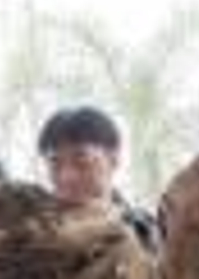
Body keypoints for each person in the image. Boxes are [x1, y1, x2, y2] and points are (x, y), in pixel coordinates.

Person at [37, 106, 159, 249]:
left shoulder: (146, 231)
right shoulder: (34, 233)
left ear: (114, 159)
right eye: (55, 164)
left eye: (82, 162)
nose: (67, 177)